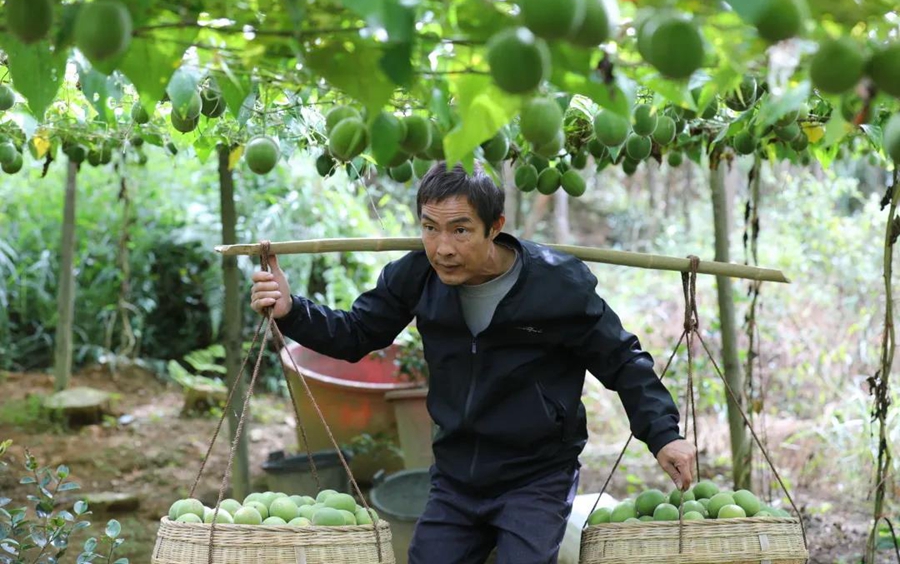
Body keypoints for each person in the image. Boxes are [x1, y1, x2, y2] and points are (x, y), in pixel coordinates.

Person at [250, 161, 696, 564]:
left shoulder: (557, 284)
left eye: (460, 230)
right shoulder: (417, 276)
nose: (442, 248)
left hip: (536, 474)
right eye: (429, 228)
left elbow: (622, 359)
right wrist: (292, 310)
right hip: (457, 475)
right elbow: (356, 333)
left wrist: (663, 435)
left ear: (495, 226)